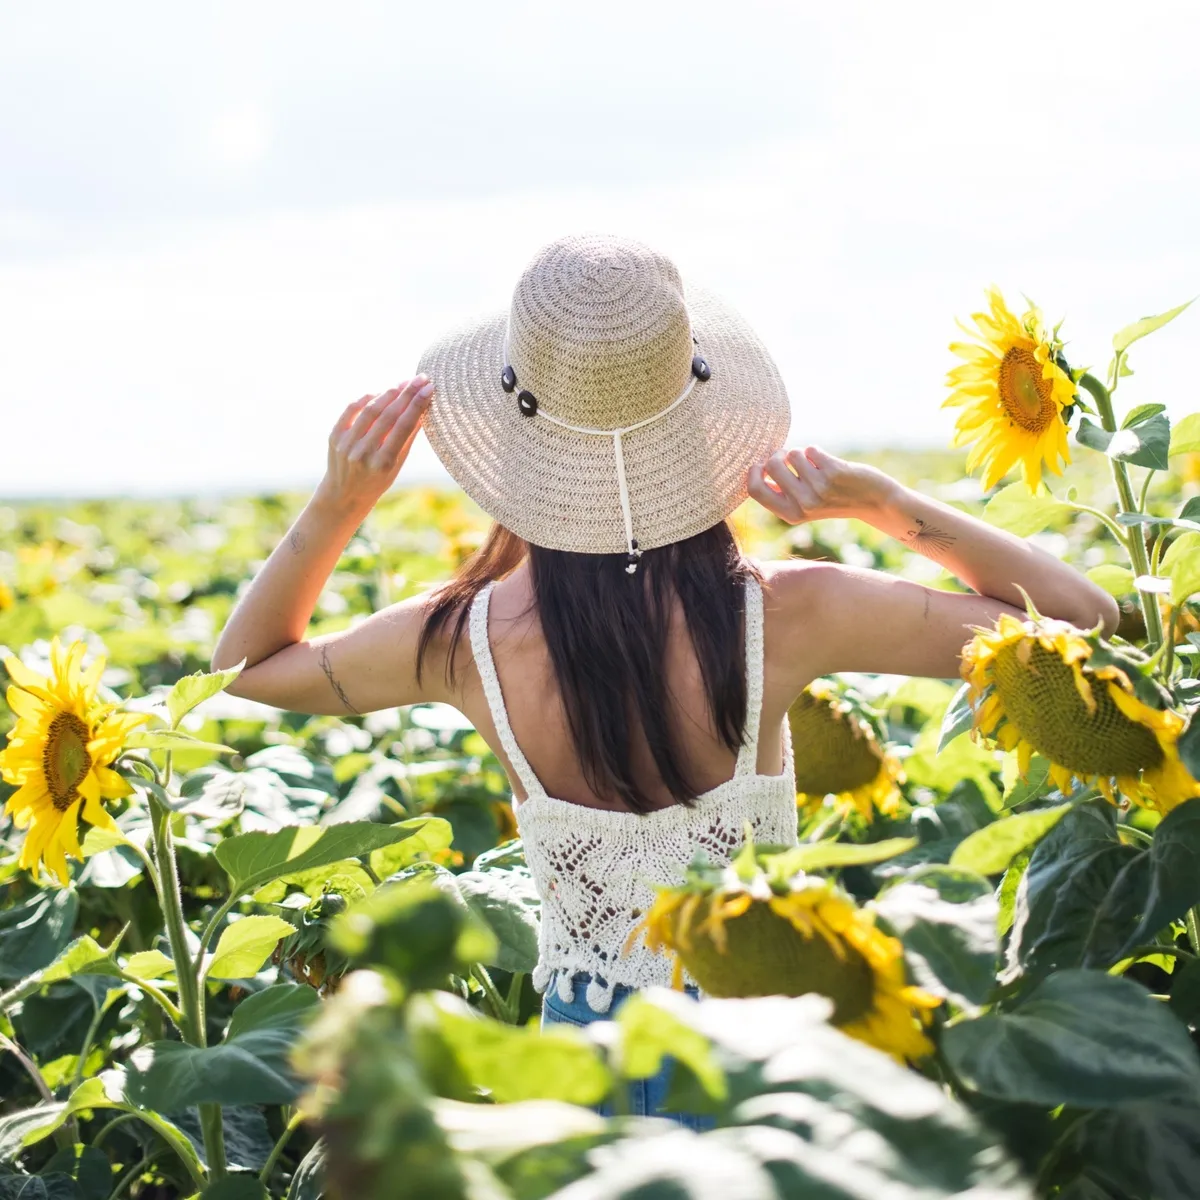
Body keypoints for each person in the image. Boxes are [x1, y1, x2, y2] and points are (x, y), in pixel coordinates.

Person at [210, 233, 1118, 1125]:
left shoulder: (464, 640)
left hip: (575, 1058)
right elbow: (1081, 619)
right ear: (700, 425)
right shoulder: (786, 613)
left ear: (518, 451)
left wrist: (341, 503)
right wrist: (887, 503)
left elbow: (245, 672)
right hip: (753, 1050)